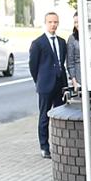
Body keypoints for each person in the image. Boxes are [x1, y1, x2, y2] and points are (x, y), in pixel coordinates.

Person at [27, 12, 73, 158]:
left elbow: (62, 61)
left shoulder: (61, 42)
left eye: (55, 22)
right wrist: (39, 80)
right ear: (45, 23)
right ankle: (44, 146)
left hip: (60, 83)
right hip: (45, 85)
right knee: (44, 116)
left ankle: (59, 144)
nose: (53, 25)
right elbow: (33, 66)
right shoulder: (38, 43)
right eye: (50, 22)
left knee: (60, 115)